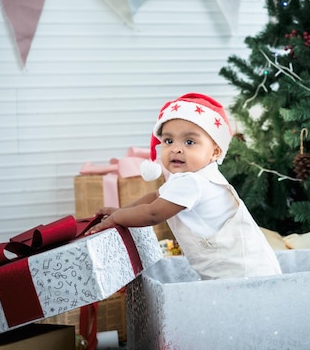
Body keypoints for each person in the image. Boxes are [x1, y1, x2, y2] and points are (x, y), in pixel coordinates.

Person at [87, 93, 282, 280]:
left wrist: (115, 219)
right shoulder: (193, 177)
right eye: (168, 141)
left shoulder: (193, 182)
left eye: (189, 142)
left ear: (215, 152)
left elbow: (153, 214)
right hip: (244, 271)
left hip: (243, 274)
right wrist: (123, 210)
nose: (176, 148)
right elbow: (155, 197)